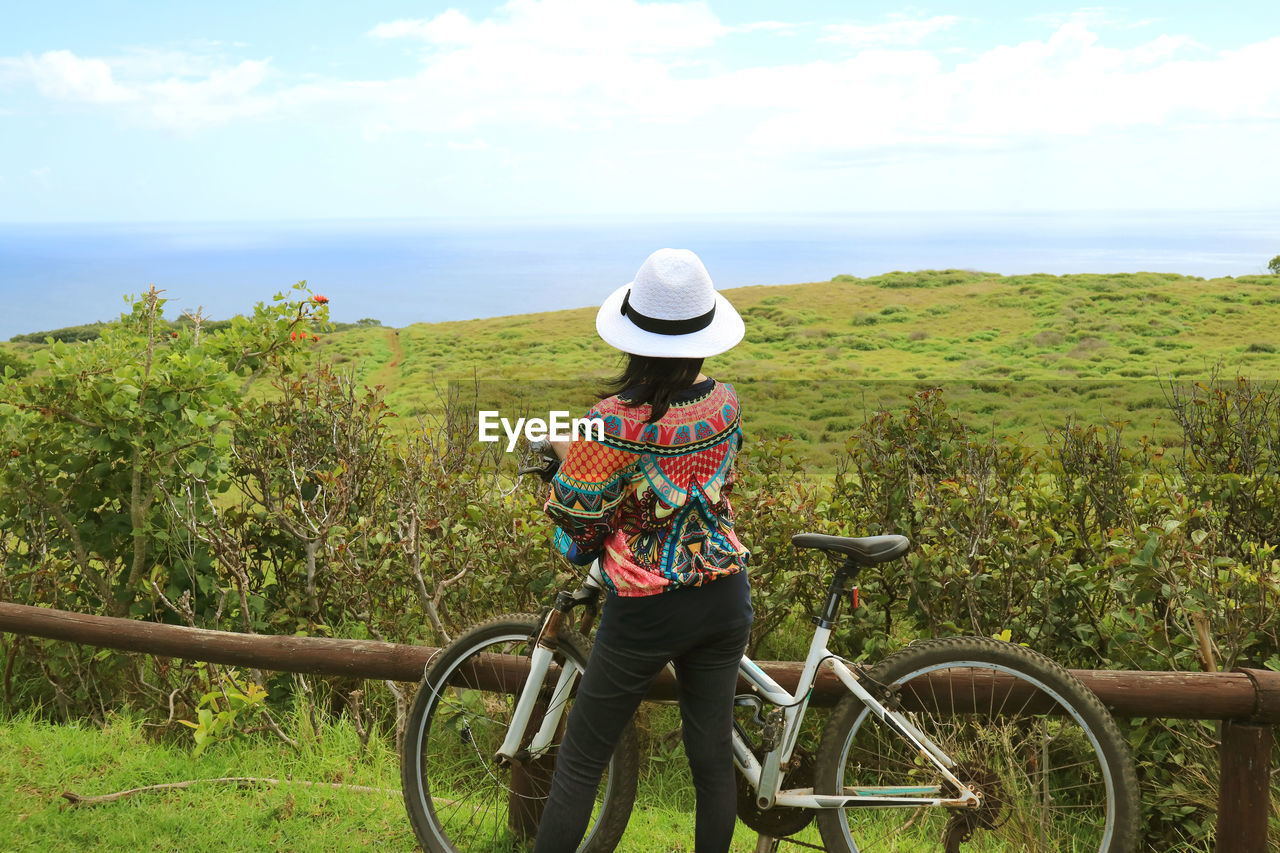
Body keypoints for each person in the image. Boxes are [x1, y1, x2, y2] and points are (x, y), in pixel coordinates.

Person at [534, 248, 752, 853]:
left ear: (632, 336)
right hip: (724, 595)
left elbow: (577, 540)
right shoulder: (726, 404)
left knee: (580, 763)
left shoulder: (611, 422)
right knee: (711, 761)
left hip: (647, 611)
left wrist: (565, 469)